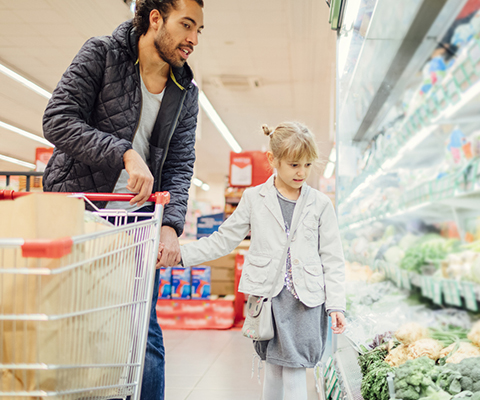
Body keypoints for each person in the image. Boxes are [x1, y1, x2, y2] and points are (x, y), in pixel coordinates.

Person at [41, 0, 204, 398]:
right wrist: (124, 153)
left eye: (199, 30)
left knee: (142, 334)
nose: (193, 39)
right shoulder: (102, 53)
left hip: (138, 224)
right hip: (78, 213)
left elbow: (181, 165)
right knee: (73, 327)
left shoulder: (186, 93)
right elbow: (57, 118)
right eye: (186, 25)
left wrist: (170, 225)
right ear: (154, 19)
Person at [178, 122, 347, 400]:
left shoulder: (320, 204)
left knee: (294, 370)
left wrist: (336, 304)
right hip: (269, 299)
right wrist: (181, 255)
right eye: (294, 165)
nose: (302, 172)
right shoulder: (254, 198)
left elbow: (333, 257)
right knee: (273, 370)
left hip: (306, 301)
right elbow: (224, 239)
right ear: (273, 160)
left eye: (307, 165)